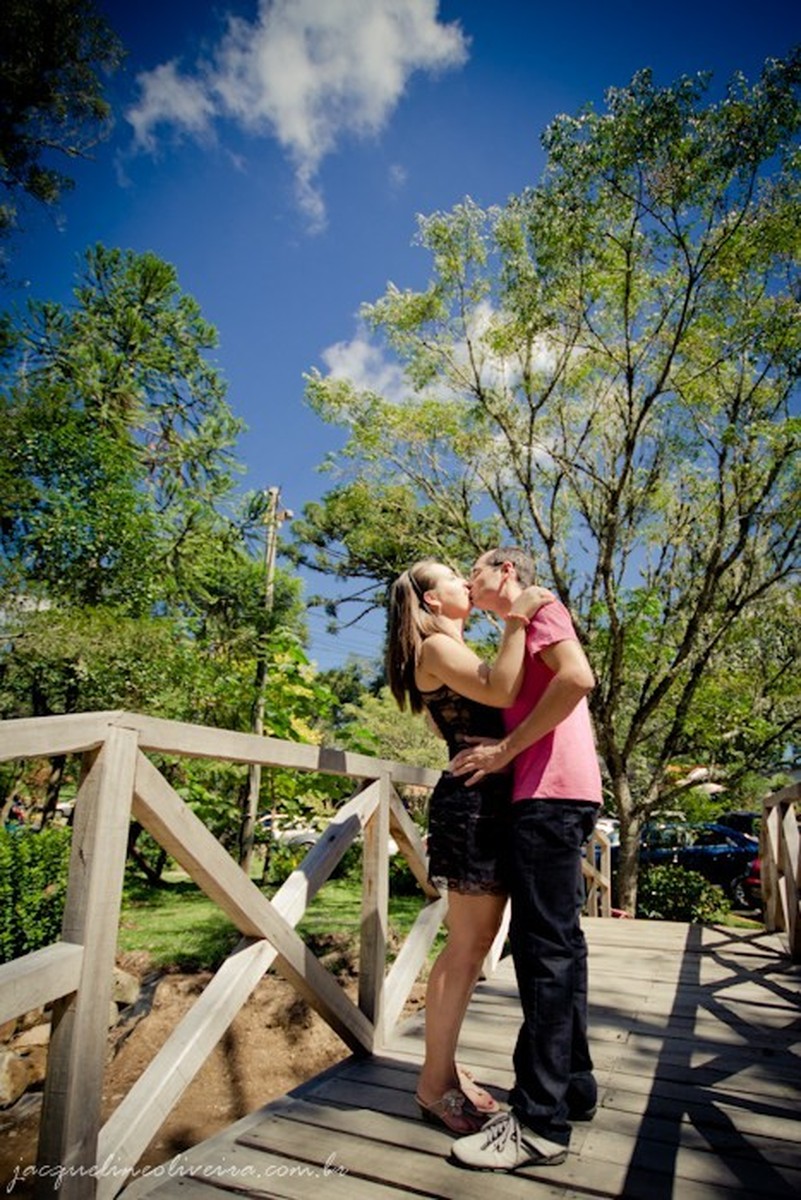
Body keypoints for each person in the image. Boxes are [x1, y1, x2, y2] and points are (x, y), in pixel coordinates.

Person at [386, 559, 554, 1135]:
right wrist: (519, 619)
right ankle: (434, 1087)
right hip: (474, 807)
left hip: (490, 802)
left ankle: (445, 1070)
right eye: (454, 577)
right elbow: (501, 687)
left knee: (473, 945)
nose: (465, 582)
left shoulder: (444, 652)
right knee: (466, 947)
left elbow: (455, 723)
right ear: (432, 602)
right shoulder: (435, 648)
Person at [448, 546, 602, 1172]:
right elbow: (540, 696)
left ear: (506, 573)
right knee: (561, 946)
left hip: (549, 798)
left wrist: (507, 750)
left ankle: (539, 1125)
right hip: (559, 794)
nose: (467, 581)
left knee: (543, 955)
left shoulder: (539, 609)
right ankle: (573, 1087)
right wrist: (505, 741)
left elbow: (578, 678)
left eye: (475, 571)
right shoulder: (523, 629)